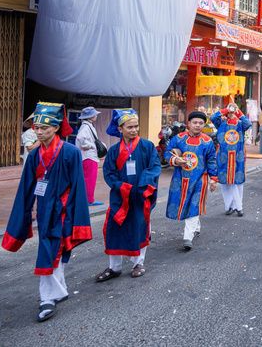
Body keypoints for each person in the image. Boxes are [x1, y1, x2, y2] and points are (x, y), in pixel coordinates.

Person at [2, 102, 92, 322]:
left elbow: (78, 188)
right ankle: (57, 291)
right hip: (44, 210)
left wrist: (74, 217)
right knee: (53, 249)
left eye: (44, 128)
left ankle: (47, 298)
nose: (39, 132)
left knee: (52, 249)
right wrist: (24, 214)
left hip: (63, 211)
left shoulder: (71, 152)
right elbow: (26, 188)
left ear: (56, 127)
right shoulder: (34, 156)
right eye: (36, 128)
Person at [96, 109, 161, 282]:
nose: (134, 130)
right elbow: (109, 173)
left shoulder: (147, 146)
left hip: (140, 195)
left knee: (140, 226)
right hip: (121, 196)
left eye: (136, 126)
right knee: (114, 228)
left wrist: (142, 186)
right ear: (120, 129)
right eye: (129, 127)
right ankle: (114, 267)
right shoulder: (114, 150)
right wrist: (121, 186)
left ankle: (138, 263)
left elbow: (154, 167)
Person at [163, 111, 218, 251]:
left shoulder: (207, 141)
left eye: (201, 123)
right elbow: (167, 152)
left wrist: (213, 179)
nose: (198, 126)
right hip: (180, 178)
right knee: (186, 203)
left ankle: (188, 237)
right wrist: (175, 160)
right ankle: (196, 227)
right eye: (195, 123)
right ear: (189, 123)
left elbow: (211, 160)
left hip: (200, 178)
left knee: (194, 203)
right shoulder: (178, 138)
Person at [211, 103, 252, 216]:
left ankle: (239, 207)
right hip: (223, 155)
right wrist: (225, 110)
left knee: (237, 182)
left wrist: (238, 112)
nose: (232, 109)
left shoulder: (240, 124)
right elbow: (212, 117)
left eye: (233, 107)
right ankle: (229, 206)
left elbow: (248, 123)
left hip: (238, 155)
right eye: (230, 107)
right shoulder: (221, 122)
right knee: (225, 182)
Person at [75, 106, 104, 206]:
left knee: (88, 178)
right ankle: (89, 200)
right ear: (89, 117)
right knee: (90, 179)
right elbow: (81, 138)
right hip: (88, 156)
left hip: (88, 156)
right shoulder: (86, 127)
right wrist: (90, 146)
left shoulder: (86, 126)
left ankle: (88, 198)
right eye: (94, 114)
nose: (96, 116)